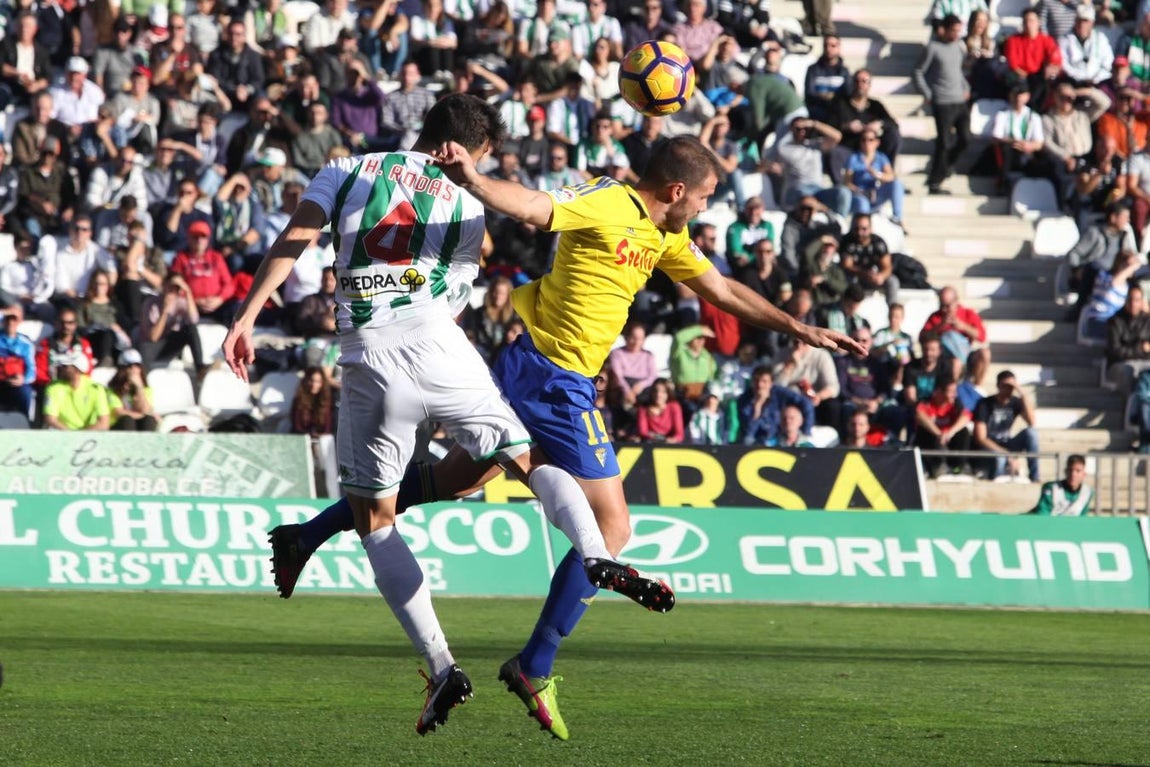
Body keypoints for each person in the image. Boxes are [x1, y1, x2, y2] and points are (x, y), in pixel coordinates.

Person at [221, 94, 676, 736]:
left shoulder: (346, 170)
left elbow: (294, 238)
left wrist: (246, 318)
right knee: (523, 458)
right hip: (442, 347)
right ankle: (595, 552)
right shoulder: (468, 203)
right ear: (464, 150)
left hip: (369, 360)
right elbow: (460, 288)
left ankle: (441, 667)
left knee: (375, 520)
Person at [914, 15, 969, 196]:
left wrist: (965, 86)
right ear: (943, 29)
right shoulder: (933, 48)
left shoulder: (958, 47)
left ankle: (945, 167)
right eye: (953, 30)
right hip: (942, 101)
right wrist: (927, 93)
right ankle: (935, 182)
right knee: (944, 142)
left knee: (965, 139)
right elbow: (918, 72)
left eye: (958, 30)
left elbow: (957, 71)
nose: (956, 34)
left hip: (959, 99)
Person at [972, 370, 1039, 482]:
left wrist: (1022, 393)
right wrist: (1007, 454)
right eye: (1005, 386)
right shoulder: (984, 404)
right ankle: (997, 483)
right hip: (989, 446)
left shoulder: (1015, 402)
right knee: (1000, 458)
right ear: (998, 386)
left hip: (1007, 443)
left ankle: (1035, 477)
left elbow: (1032, 422)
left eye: (1011, 386)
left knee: (1031, 433)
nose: (1009, 389)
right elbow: (981, 438)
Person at [41, 351, 110, 431]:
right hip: (62, 435)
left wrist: (81, 435)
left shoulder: (96, 389)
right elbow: (50, 419)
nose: (60, 369)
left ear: (77, 369)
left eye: (65, 367)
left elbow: (104, 423)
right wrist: (71, 435)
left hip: (89, 436)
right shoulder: (53, 388)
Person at [105, 349, 158, 431]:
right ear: (121, 369)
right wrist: (142, 415)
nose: (133, 370)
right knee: (127, 421)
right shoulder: (111, 391)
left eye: (137, 365)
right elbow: (119, 412)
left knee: (149, 421)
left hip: (138, 424)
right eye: (129, 366)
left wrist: (139, 388)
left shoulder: (146, 390)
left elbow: (146, 410)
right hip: (117, 427)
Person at [1030, 454, 1094, 515]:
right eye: (1070, 470)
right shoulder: (1051, 488)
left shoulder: (1087, 492)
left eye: (1078, 471)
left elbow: (1082, 517)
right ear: (1066, 471)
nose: (1073, 474)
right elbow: (1042, 514)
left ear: (1084, 474)